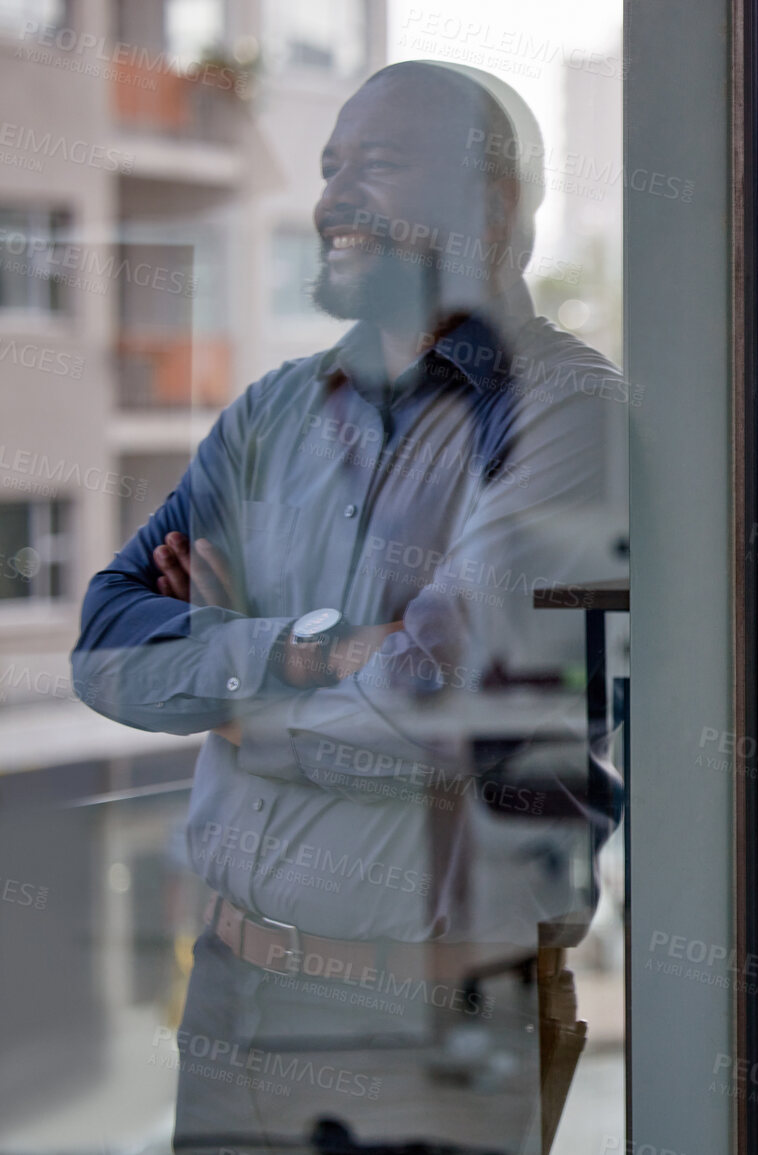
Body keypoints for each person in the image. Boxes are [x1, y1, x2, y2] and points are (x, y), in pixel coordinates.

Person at [71, 62, 624, 1154]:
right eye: (330, 167)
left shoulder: (570, 416)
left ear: (492, 202)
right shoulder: (271, 414)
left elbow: (448, 713)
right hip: (231, 1010)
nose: (335, 197)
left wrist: (226, 689)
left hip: (428, 1032)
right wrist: (313, 651)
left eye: (377, 164)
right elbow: (104, 642)